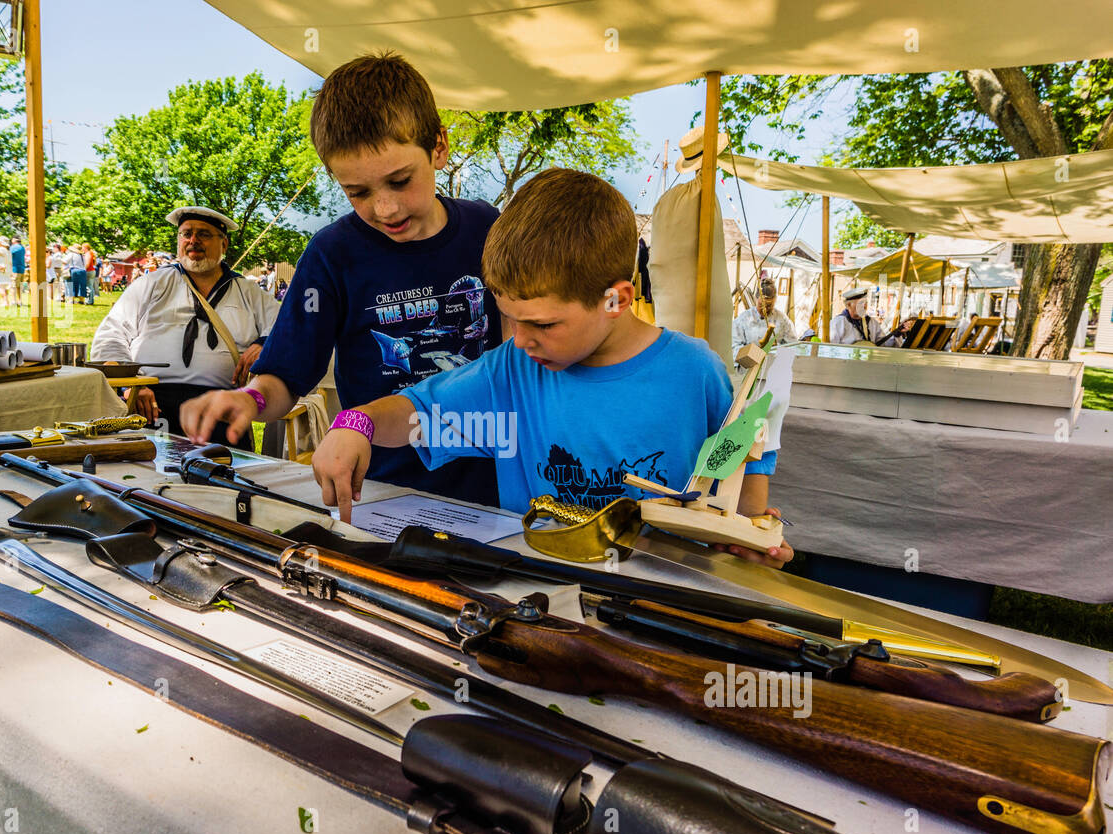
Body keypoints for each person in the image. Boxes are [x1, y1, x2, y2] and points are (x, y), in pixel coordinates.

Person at [305, 168, 792, 567]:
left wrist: (749, 538)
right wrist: (357, 423)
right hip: (542, 596)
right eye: (508, 318)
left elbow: (745, 460)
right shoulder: (511, 373)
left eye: (542, 323)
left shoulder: (696, 373)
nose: (520, 339)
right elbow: (415, 414)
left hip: (667, 599)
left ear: (615, 298)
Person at [181, 52, 504, 506]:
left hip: (496, 485)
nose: (385, 209)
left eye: (400, 180)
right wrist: (249, 400)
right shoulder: (333, 254)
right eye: (359, 192)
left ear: (439, 147)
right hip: (381, 492)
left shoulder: (487, 229)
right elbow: (284, 378)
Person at [91, 205, 279, 448]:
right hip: (151, 407)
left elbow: (287, 328)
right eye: (186, 233)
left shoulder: (248, 292)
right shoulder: (152, 284)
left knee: (225, 481)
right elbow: (110, 336)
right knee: (149, 481)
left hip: (222, 410)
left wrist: (264, 344)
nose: (193, 241)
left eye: (204, 234)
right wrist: (132, 384)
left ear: (224, 244)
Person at [731, 277, 797, 357]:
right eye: (761, 305)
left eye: (769, 305)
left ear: (775, 300)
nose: (765, 309)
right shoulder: (743, 319)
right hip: (749, 366)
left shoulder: (782, 320)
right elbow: (734, 347)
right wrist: (753, 353)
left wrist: (776, 349)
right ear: (756, 299)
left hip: (774, 365)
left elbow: (793, 345)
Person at [830, 287, 912, 346]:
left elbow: (884, 345)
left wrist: (897, 333)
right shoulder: (838, 323)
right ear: (848, 305)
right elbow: (831, 348)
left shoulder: (872, 322)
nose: (865, 306)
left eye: (866, 303)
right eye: (861, 303)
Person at [9, 236, 27, 310]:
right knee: (19, 286)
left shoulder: (14, 247)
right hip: (22, 268)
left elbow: (9, 255)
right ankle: (20, 301)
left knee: (13, 286)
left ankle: (13, 301)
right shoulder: (22, 247)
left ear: (14, 240)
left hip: (15, 269)